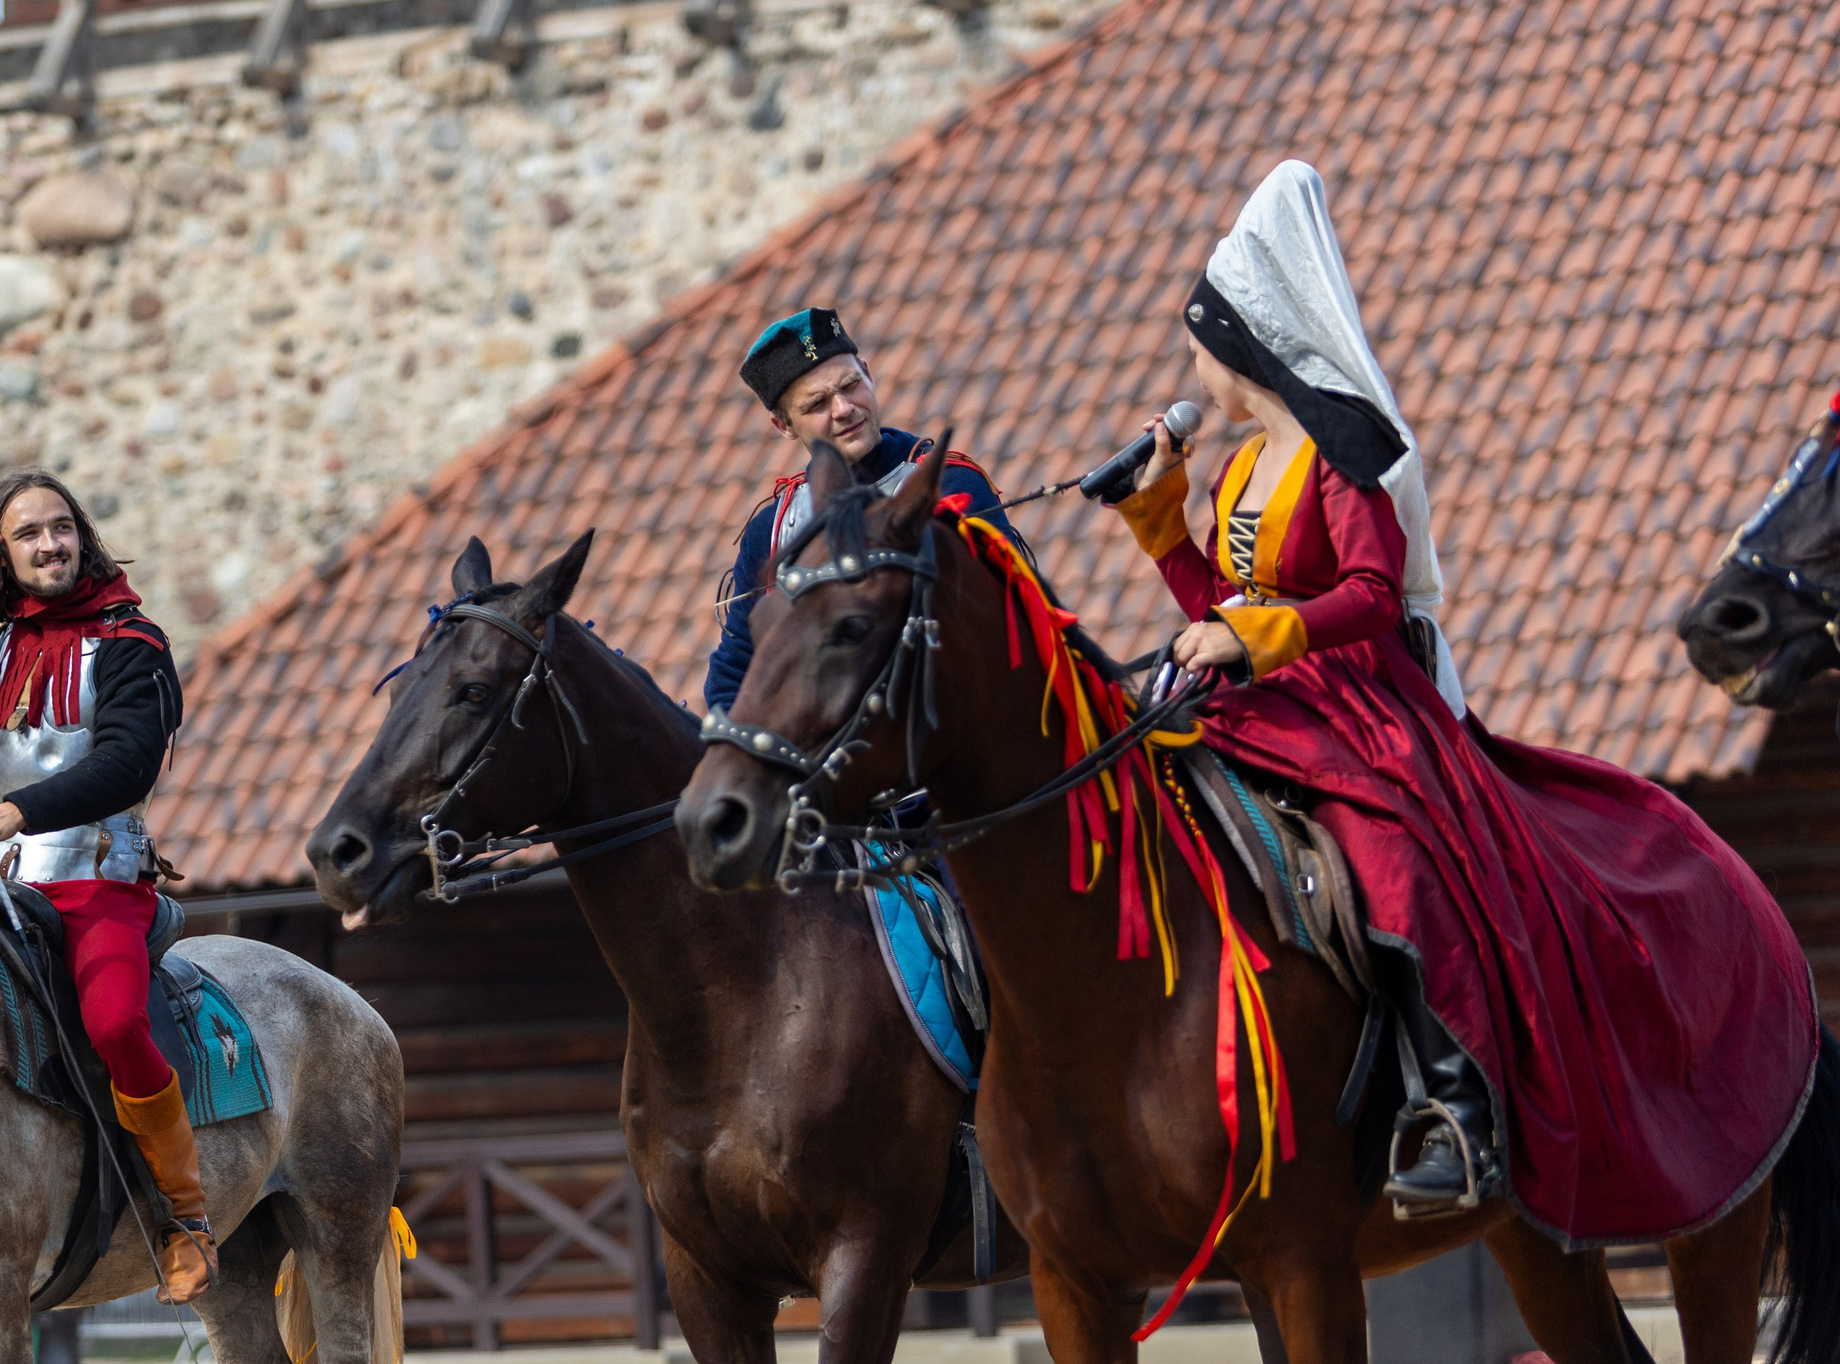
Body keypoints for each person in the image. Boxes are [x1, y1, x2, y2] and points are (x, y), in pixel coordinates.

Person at [1107, 161, 1813, 1230]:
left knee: (1391, 856)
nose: (1192, 365)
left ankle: (1452, 1098)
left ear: (1238, 341)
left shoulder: (1346, 455)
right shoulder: (1239, 466)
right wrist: (1163, 528)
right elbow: (1221, 607)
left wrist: (1257, 634)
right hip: (1250, 691)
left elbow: (1368, 592)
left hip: (1354, 702)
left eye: (1199, 342)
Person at [0, 470, 214, 1303]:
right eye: (27, 535)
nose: (49, 544)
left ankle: (185, 1214)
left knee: (115, 1021)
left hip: (99, 883)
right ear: (3, 552)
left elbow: (125, 765)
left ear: (82, 536)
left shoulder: (136, 645)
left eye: (61, 528)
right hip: (0, 885)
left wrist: (15, 810)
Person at [706, 307, 1027, 711]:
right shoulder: (769, 532)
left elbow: (1009, 622)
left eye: (851, 385)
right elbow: (733, 673)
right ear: (783, 426)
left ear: (869, 374)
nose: (844, 409)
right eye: (817, 403)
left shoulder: (952, 485)